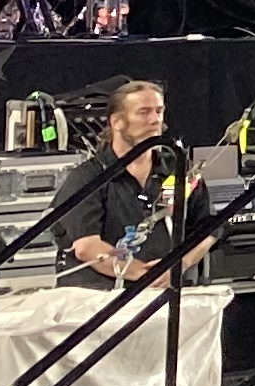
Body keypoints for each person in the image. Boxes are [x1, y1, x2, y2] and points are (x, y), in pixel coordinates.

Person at [56, 75, 189, 290]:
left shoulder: (176, 169)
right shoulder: (87, 178)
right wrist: (147, 275)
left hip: (168, 293)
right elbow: (87, 248)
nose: (155, 120)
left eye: (159, 111)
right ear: (116, 122)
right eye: (144, 112)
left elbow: (208, 229)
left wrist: (182, 264)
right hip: (101, 299)